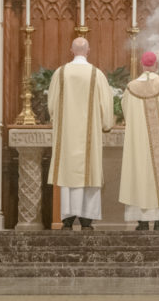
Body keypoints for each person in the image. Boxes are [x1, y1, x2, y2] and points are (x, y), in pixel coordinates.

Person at [47, 37, 114, 230]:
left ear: (71, 50)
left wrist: (57, 119)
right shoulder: (96, 74)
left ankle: (67, 218)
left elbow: (51, 105)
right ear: (88, 50)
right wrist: (106, 125)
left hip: (66, 136)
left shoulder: (60, 74)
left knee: (68, 174)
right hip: (89, 137)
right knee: (88, 173)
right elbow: (106, 106)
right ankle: (86, 219)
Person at [119, 51, 159, 231]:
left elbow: (126, 112)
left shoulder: (131, 87)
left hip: (140, 145)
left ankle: (141, 222)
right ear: (156, 65)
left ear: (141, 65)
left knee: (140, 176)